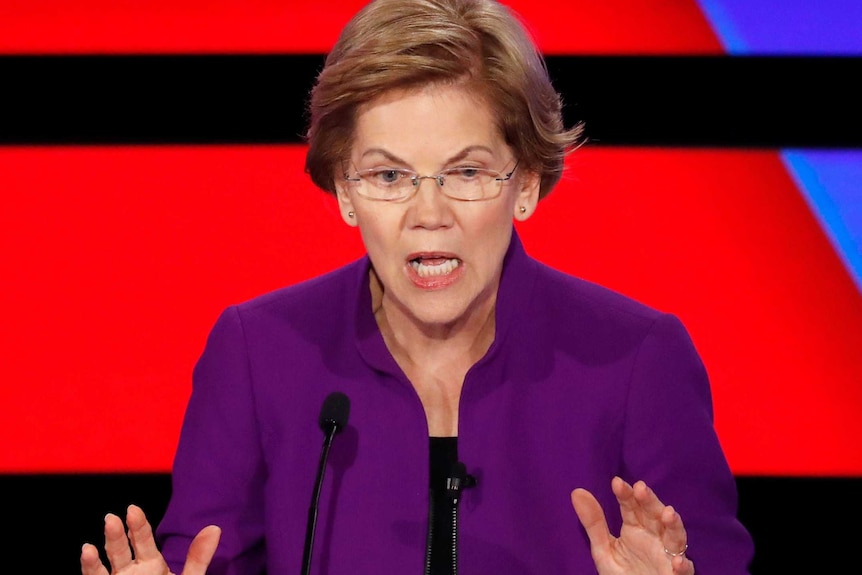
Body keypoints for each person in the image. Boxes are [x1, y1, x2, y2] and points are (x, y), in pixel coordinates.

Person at [80, 0, 755, 574]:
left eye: (465, 172)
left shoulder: (637, 359)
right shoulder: (258, 353)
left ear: (524, 184)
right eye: (389, 176)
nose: (428, 213)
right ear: (345, 191)